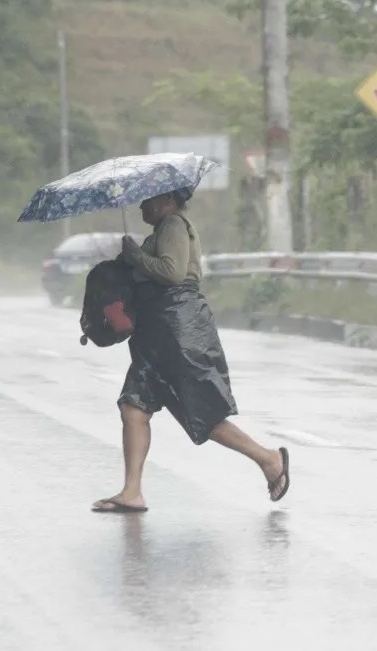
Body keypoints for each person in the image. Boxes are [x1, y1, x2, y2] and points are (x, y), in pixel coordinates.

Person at [91, 187, 290, 513]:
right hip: (156, 334)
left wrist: (136, 256)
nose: (142, 205)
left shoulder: (173, 226)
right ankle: (132, 492)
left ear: (167, 200)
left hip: (180, 331)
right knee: (134, 407)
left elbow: (172, 273)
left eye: (149, 199)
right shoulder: (161, 231)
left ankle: (269, 459)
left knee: (202, 413)